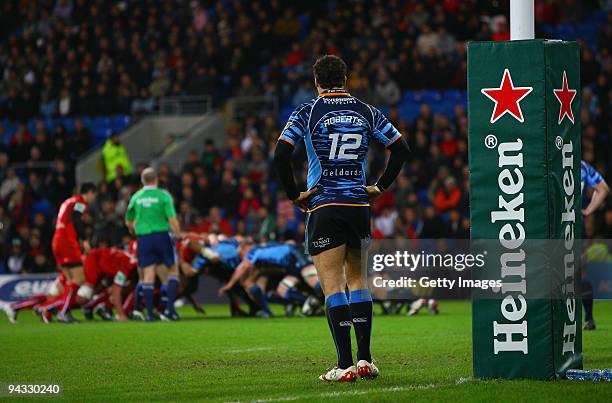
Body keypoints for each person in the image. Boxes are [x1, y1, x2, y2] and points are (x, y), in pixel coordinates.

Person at [273, 55, 410, 382]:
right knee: (359, 281)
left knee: (333, 286)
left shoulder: (307, 112)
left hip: (325, 206)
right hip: (358, 207)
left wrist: (294, 195)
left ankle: (345, 364)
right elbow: (401, 148)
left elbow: (281, 154)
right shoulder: (366, 111)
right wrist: (379, 186)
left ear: (316, 80)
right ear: (345, 78)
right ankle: (365, 360)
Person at [125, 167, 182, 321]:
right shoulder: (163, 196)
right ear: (156, 179)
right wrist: (178, 235)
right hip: (161, 235)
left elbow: (129, 221)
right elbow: (172, 219)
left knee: (148, 276)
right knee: (173, 271)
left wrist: (134, 231)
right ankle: (170, 310)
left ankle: (149, 314)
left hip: (144, 238)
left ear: (142, 181)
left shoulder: (136, 197)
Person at [42, 182, 97, 323]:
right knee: (79, 279)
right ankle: (61, 311)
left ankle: (51, 309)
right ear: (89, 192)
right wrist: (84, 240)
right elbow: (76, 219)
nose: (93, 199)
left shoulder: (68, 201)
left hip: (57, 240)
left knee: (69, 281)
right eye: (93, 195)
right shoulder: (80, 202)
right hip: (66, 242)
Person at [580, 160, 610, 330]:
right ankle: (589, 318)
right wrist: (587, 210)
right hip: (576, 223)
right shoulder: (581, 165)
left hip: (554, 222)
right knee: (581, 271)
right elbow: (603, 189)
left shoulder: (552, 160)